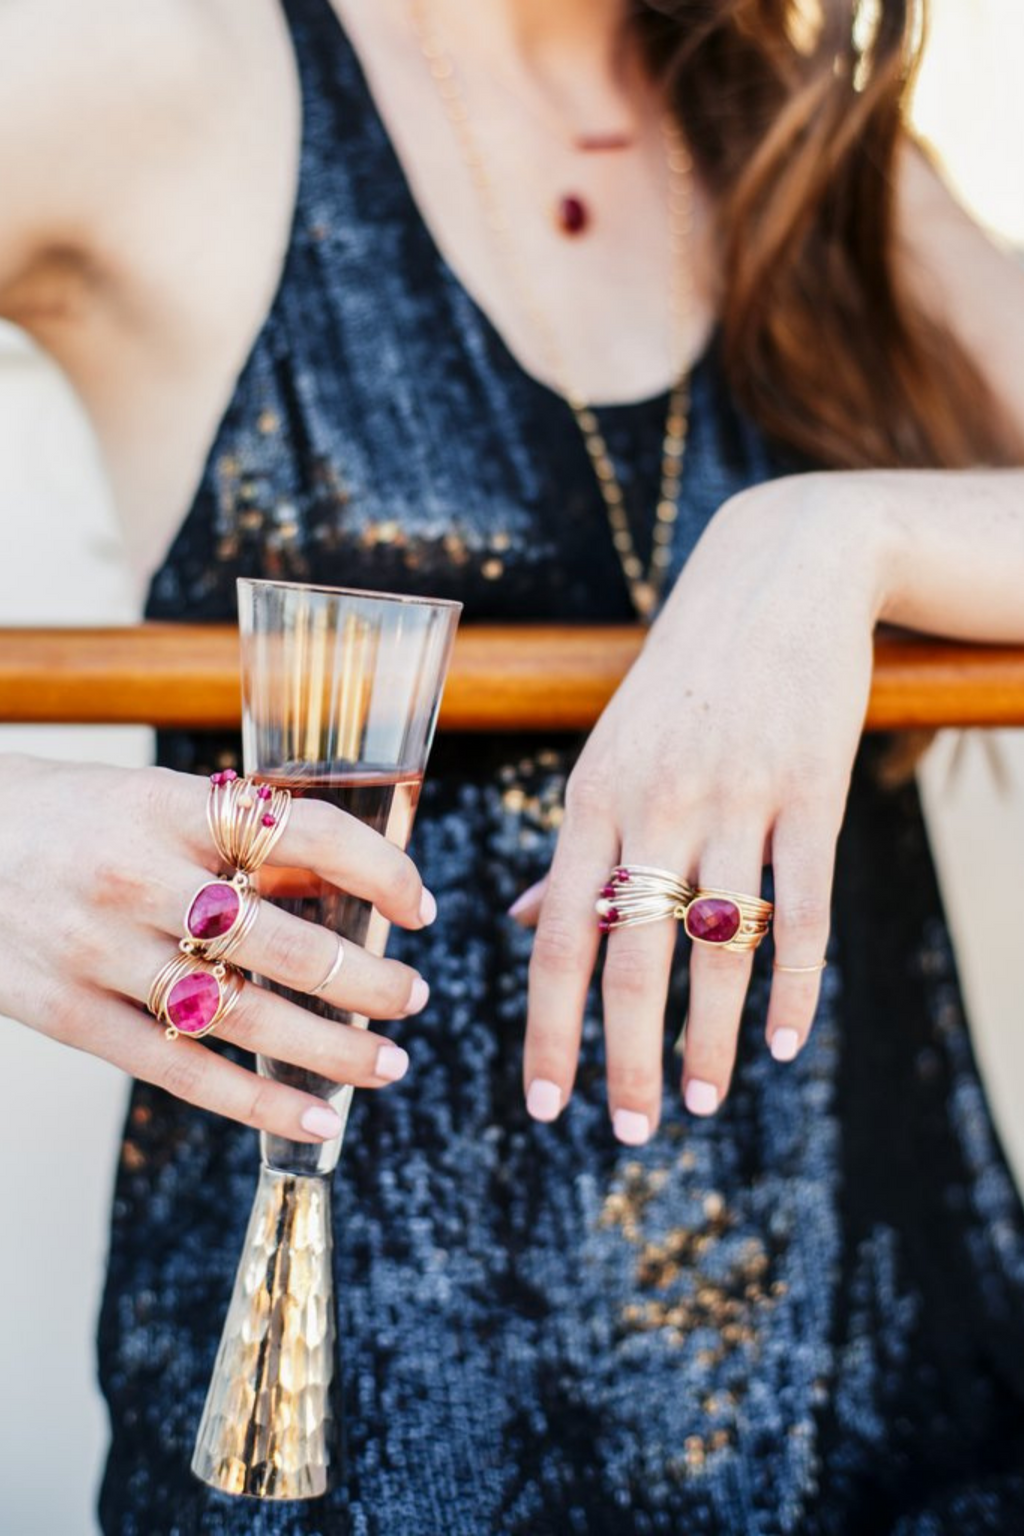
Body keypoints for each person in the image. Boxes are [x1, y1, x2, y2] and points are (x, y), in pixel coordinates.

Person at [2, 0, 1023, 1531]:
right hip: (360, 1443)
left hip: (912, 1421)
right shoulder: (155, 63)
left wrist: (836, 535)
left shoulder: (809, 141)